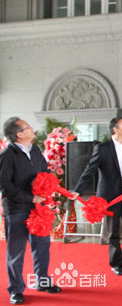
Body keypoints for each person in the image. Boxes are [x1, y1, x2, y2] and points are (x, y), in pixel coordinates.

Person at [72, 118, 122, 276]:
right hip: (110, 195)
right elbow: (89, 170)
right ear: (115, 129)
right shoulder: (102, 148)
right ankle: (116, 263)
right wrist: (78, 190)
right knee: (113, 231)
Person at [0, 118, 61, 305]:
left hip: (39, 208)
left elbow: (44, 173)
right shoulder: (7, 155)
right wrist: (30, 198)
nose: (32, 129)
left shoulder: (34, 150)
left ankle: (42, 282)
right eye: (28, 127)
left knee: (42, 246)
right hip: (17, 208)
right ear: (19, 134)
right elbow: (4, 185)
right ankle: (16, 290)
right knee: (16, 251)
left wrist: (49, 196)